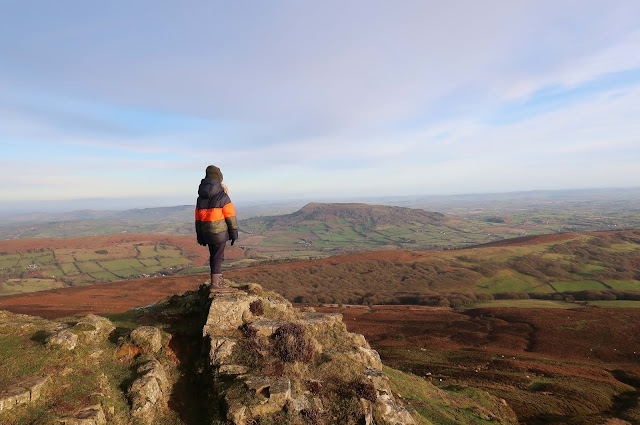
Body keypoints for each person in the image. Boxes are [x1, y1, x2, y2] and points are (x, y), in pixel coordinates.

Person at [195, 165, 238, 289]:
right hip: (219, 233)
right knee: (218, 256)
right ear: (219, 179)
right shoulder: (223, 197)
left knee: (214, 256)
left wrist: (200, 236)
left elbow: (198, 219)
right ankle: (216, 284)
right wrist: (234, 234)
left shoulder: (200, 198)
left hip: (207, 233)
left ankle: (216, 280)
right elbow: (231, 217)